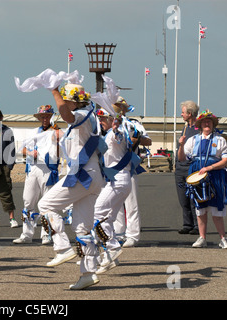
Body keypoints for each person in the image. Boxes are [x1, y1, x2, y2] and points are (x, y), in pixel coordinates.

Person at [37, 84, 105, 290]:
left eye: (66, 100)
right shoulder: (87, 116)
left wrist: (54, 91)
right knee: (82, 227)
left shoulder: (83, 115)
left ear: (74, 102)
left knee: (45, 205)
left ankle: (62, 247)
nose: (62, 105)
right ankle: (88, 273)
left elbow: (66, 115)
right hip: (91, 176)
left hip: (83, 175)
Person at [94, 97, 138, 274]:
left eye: (104, 118)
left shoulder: (115, 134)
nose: (101, 122)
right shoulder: (109, 134)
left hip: (118, 181)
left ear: (112, 120)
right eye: (100, 119)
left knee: (97, 212)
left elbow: (119, 137)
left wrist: (116, 128)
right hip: (119, 180)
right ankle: (109, 256)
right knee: (108, 218)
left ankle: (111, 247)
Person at [178, 110, 227, 249]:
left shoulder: (220, 140)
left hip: (215, 175)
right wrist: (181, 145)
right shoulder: (193, 140)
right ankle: (202, 237)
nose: (207, 123)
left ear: (213, 124)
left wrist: (210, 168)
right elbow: (181, 158)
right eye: (204, 122)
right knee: (200, 208)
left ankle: (223, 238)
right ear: (200, 124)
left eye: (209, 121)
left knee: (216, 208)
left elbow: (226, 160)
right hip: (197, 174)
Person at [13, 105, 62, 245]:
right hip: (33, 168)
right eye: (42, 116)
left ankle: (47, 233)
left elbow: (60, 152)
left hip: (48, 168)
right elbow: (22, 148)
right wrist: (29, 153)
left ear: (51, 116)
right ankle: (26, 234)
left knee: (47, 203)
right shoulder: (33, 132)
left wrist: (57, 138)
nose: (45, 118)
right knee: (28, 201)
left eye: (47, 116)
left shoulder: (57, 131)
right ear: (39, 118)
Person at [113, 99, 152, 248]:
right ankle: (118, 233)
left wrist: (137, 138)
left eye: (119, 108)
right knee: (115, 203)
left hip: (129, 166)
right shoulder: (108, 124)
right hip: (112, 168)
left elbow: (148, 141)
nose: (117, 110)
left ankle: (133, 235)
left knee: (131, 203)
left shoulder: (133, 124)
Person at [175, 101, 200, 235]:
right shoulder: (184, 127)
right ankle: (187, 224)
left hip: (192, 167)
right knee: (183, 198)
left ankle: (197, 225)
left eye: (183, 112)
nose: (181, 114)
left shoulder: (198, 128)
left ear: (190, 114)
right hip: (180, 167)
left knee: (193, 198)